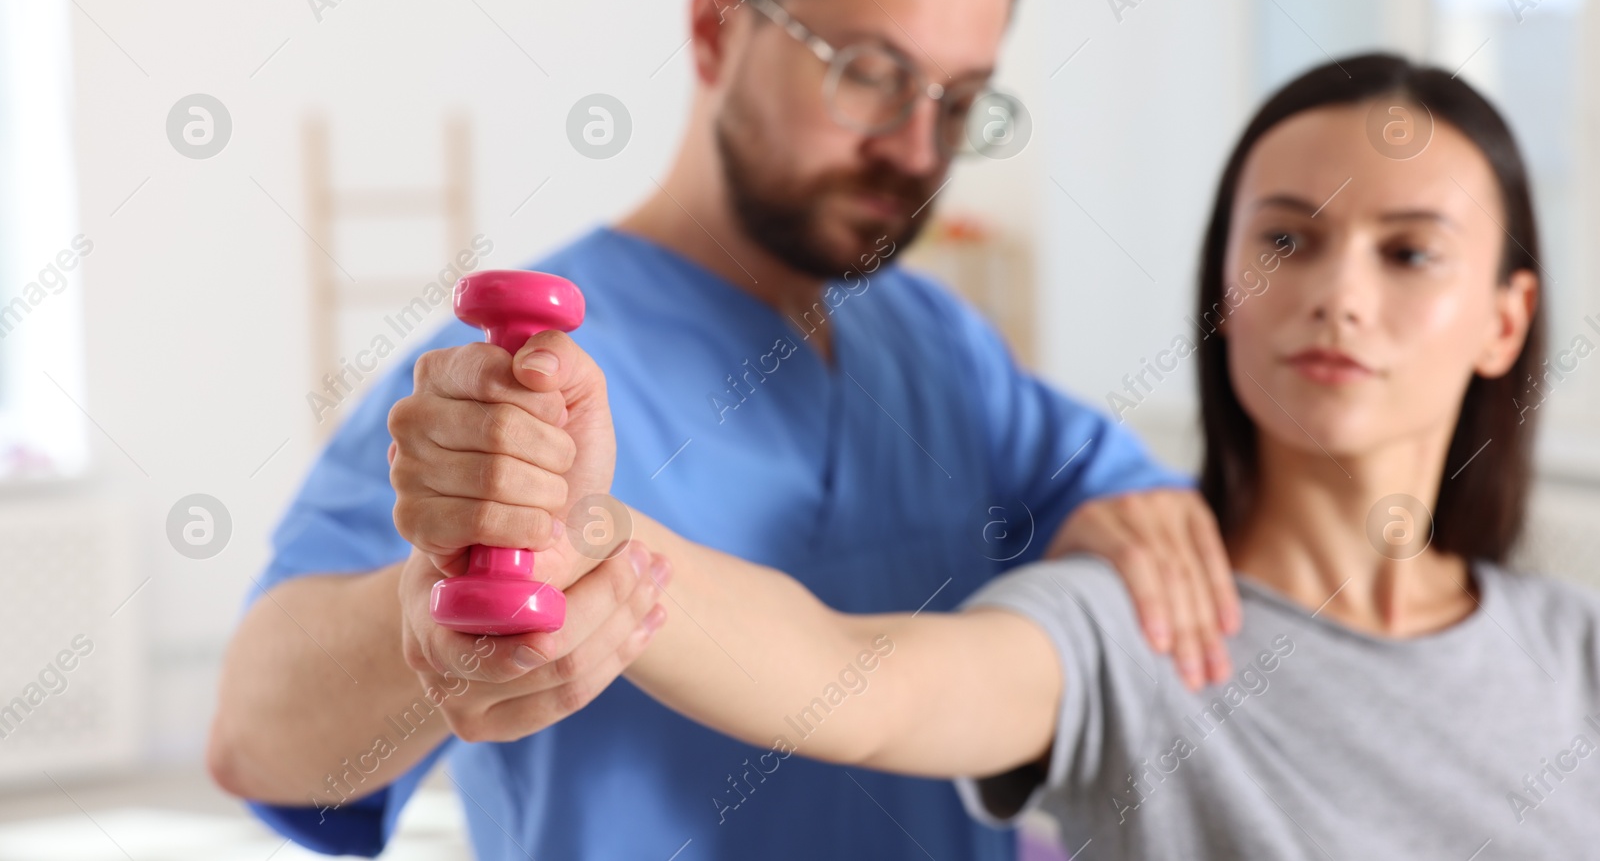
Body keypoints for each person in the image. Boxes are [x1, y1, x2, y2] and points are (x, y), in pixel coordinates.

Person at [207, 0, 1239, 860]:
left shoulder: (940, 344)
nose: (917, 148)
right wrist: (431, 610)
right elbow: (255, 734)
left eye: (960, 98)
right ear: (716, 28)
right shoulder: (527, 377)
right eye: (872, 75)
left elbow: (1131, 502)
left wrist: (1139, 513)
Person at [511, 54, 1600, 856]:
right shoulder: (1126, 628)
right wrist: (578, 524)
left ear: (1505, 320)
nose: (1338, 294)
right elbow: (847, 680)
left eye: (1409, 252)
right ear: (1228, 284)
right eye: (1285, 238)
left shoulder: (1574, 650)